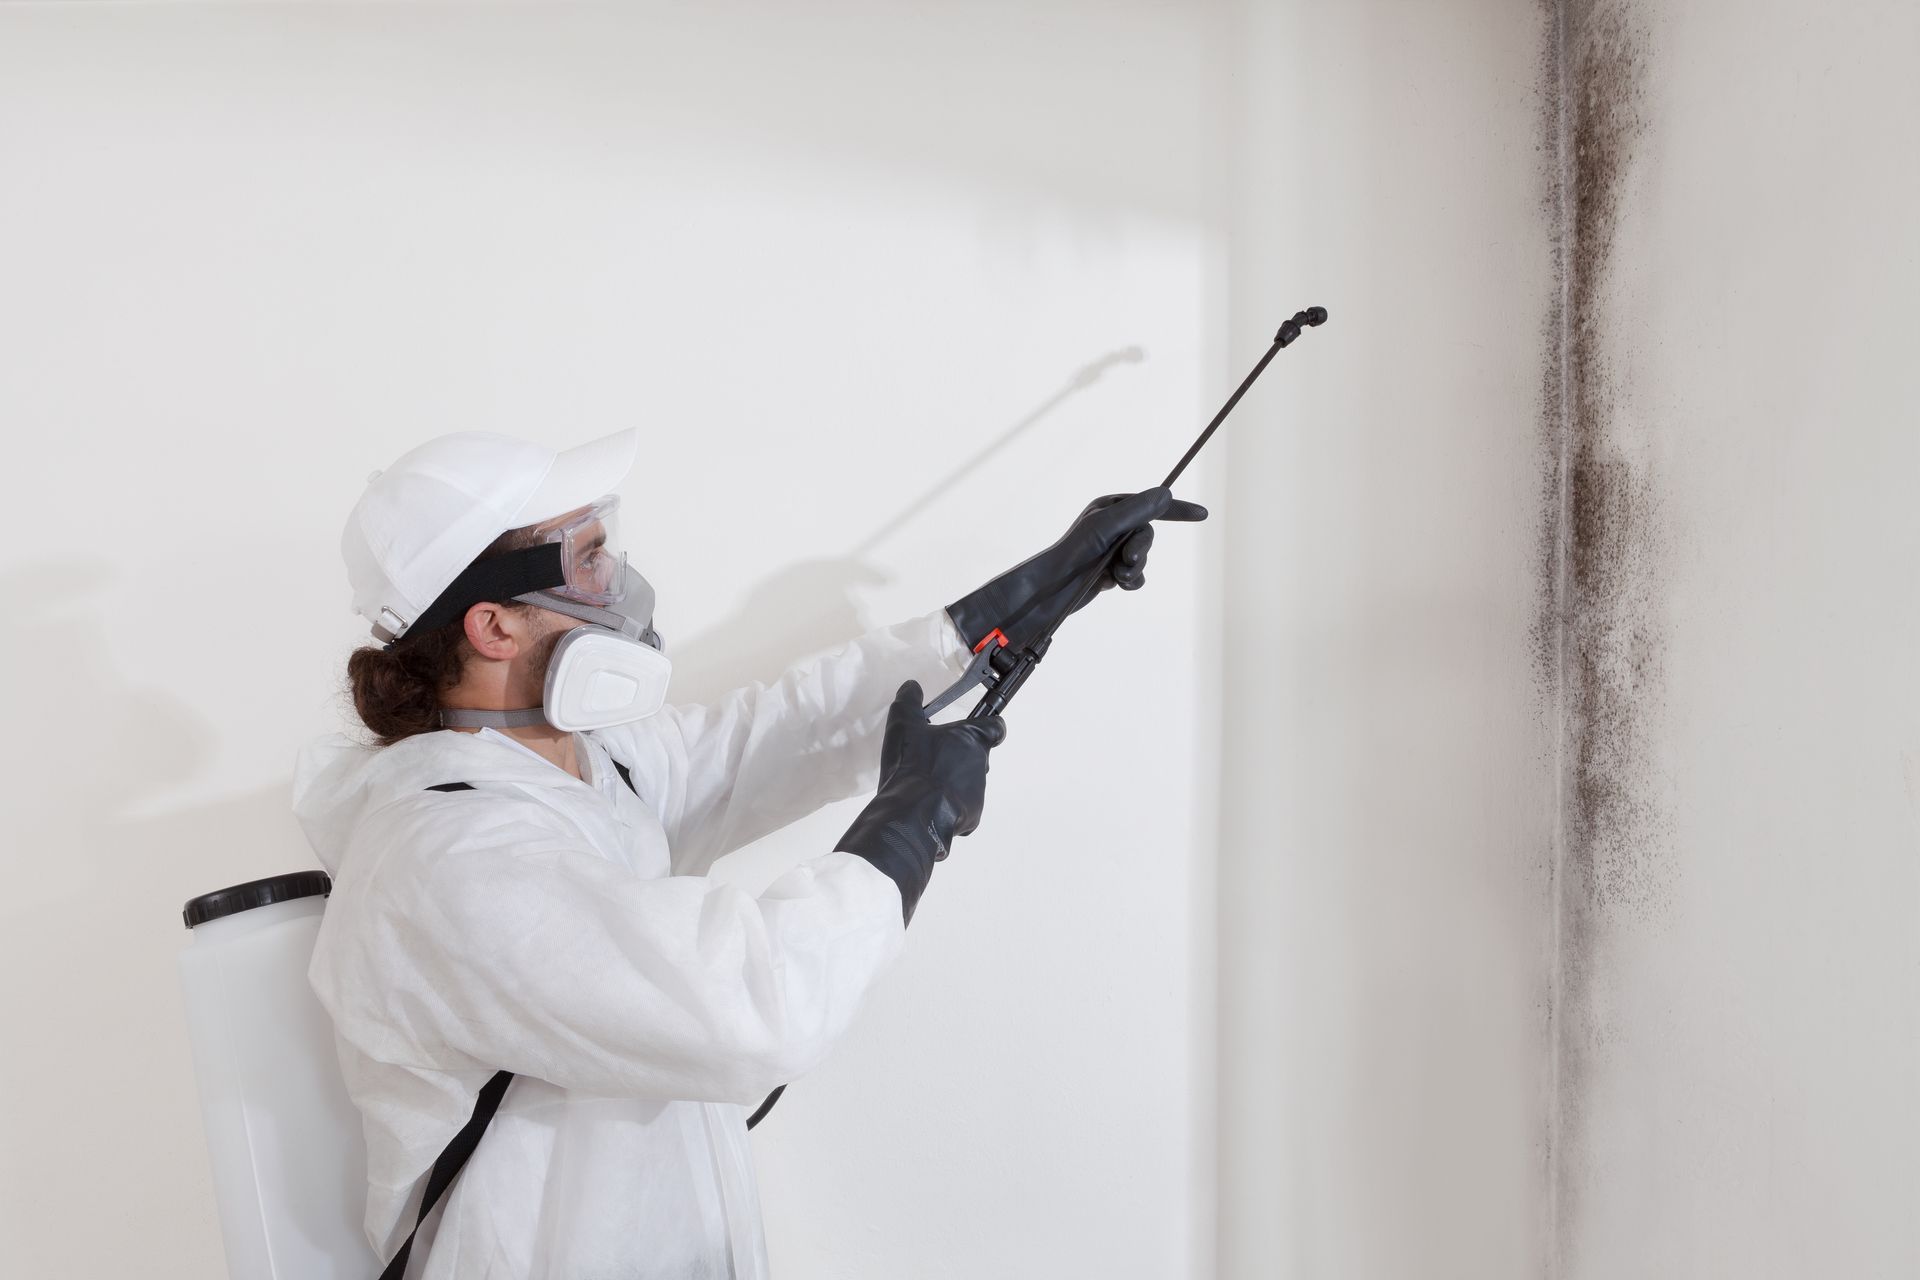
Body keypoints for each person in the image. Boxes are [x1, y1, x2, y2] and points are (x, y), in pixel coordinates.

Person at [293, 427, 1204, 1279]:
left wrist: (1009, 611)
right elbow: (749, 1007)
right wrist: (909, 820)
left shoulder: (583, 766)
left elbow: (769, 736)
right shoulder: (446, 859)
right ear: (493, 626)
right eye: (588, 559)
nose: (621, 583)